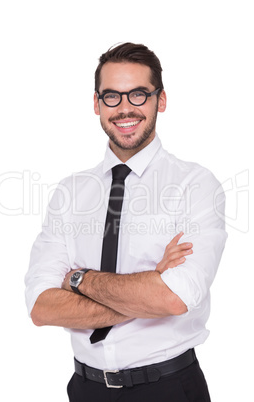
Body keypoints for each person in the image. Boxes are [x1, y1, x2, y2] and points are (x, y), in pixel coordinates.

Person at [25, 42, 227, 401]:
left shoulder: (194, 185)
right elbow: (41, 307)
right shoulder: (70, 193)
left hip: (168, 388)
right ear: (96, 104)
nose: (125, 108)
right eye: (112, 96)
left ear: (160, 101)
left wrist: (78, 279)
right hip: (86, 390)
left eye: (138, 94)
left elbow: (173, 299)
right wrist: (147, 287)